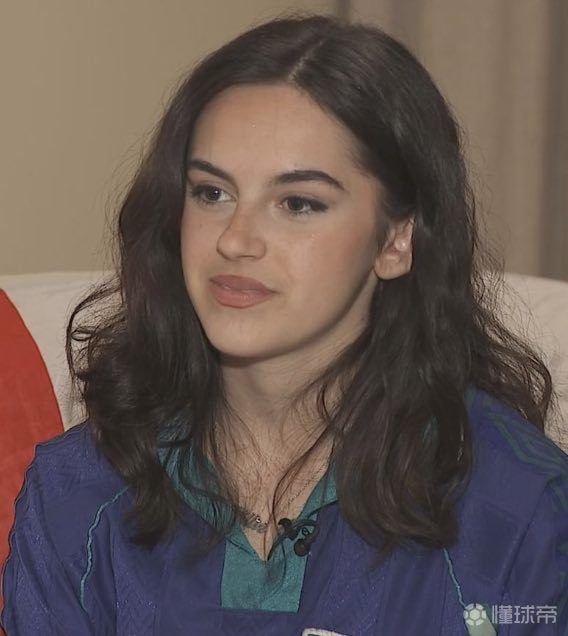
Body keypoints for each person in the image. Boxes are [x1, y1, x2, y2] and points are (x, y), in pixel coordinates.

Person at [1, 12, 567, 636]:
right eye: (211, 193)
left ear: (397, 239)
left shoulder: (521, 510)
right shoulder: (76, 496)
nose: (236, 240)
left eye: (298, 203)